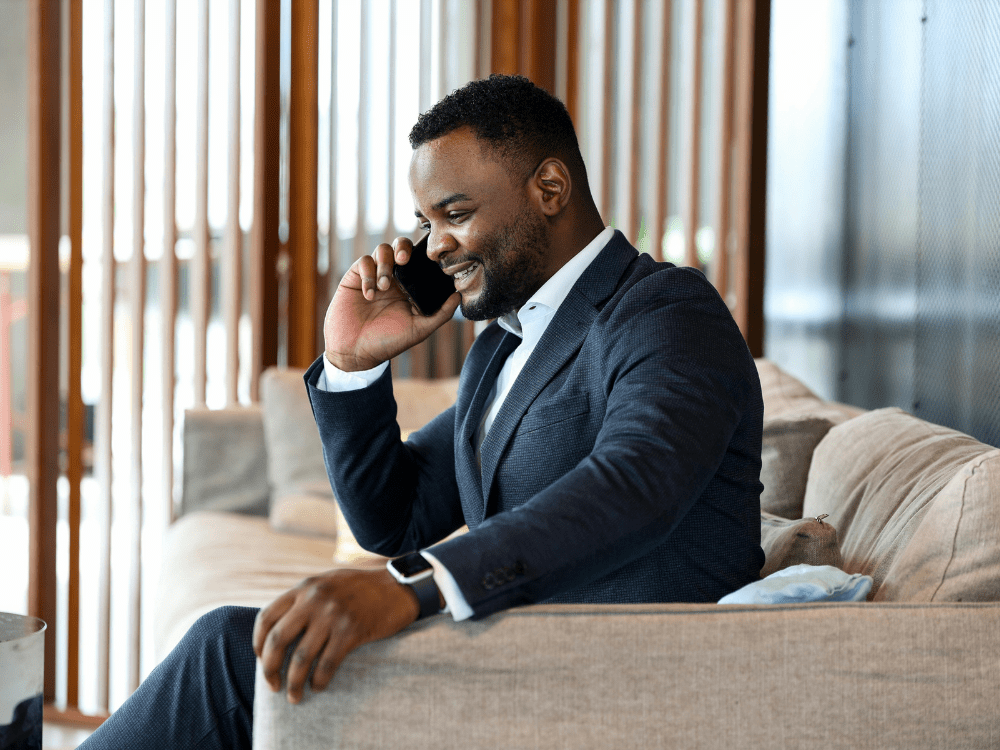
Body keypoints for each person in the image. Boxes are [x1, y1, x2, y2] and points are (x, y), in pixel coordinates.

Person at [80, 74, 763, 749]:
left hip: (612, 689)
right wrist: (353, 365)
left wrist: (418, 584)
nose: (433, 246)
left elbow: (636, 485)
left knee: (229, 654)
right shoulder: (503, 347)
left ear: (549, 189)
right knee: (243, 648)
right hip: (516, 668)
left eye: (455, 213)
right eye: (425, 222)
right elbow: (393, 519)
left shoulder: (664, 311)